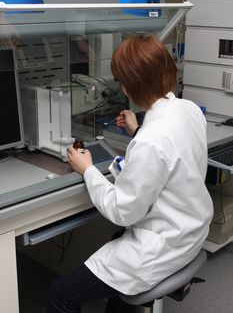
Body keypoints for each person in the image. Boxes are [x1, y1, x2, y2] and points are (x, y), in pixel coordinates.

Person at [47, 33, 213, 313]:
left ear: (130, 86)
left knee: (60, 294)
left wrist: (87, 170)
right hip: (191, 232)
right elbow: (172, 155)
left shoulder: (151, 141)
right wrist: (137, 130)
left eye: (123, 82)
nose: (122, 89)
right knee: (115, 242)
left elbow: (122, 211)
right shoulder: (189, 110)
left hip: (163, 246)